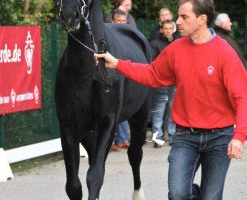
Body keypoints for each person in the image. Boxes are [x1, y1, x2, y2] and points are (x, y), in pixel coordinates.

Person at [95, 0, 247, 199]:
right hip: (185, 136)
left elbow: (242, 96)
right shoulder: (176, 49)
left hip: (220, 137)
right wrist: (117, 63)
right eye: (178, 15)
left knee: (211, 197)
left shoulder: (225, 53)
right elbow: (152, 74)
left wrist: (239, 137)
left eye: (184, 17)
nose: (177, 22)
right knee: (177, 194)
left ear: (202, 20)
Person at [149, 20, 176, 147]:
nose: (168, 31)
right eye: (166, 28)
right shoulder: (154, 44)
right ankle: (157, 138)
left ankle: (172, 137)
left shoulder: (178, 43)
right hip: (160, 83)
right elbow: (152, 63)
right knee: (158, 111)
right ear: (161, 30)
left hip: (174, 83)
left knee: (172, 111)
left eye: (171, 28)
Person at [110, 8, 130, 152]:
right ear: (112, 22)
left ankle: (122, 138)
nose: (122, 24)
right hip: (110, 79)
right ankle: (112, 140)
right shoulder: (108, 38)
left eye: (124, 21)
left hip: (126, 78)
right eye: (119, 21)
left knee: (122, 107)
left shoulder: (130, 38)